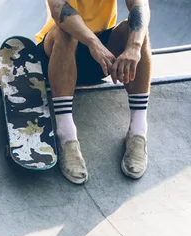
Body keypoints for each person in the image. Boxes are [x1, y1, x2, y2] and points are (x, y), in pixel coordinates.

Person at [37, 0, 152, 184]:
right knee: (65, 32)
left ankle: (138, 132)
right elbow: (59, 9)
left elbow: (140, 6)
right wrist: (93, 43)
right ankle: (66, 136)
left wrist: (134, 47)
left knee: (138, 32)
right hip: (57, 54)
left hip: (102, 56)